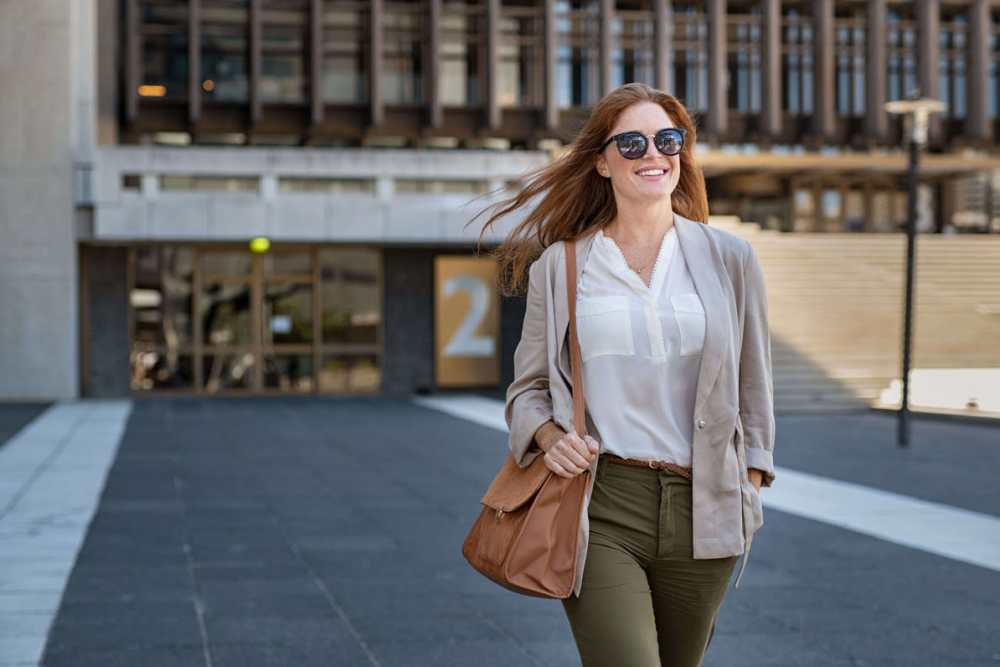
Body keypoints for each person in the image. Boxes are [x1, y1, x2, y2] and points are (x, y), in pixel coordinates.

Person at [477, 83, 776, 666]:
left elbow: (754, 382)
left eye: (668, 140)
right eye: (632, 142)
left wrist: (753, 479)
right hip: (602, 502)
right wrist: (547, 438)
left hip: (705, 503)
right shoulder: (560, 266)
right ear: (602, 161)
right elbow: (528, 389)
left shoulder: (729, 258)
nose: (653, 154)